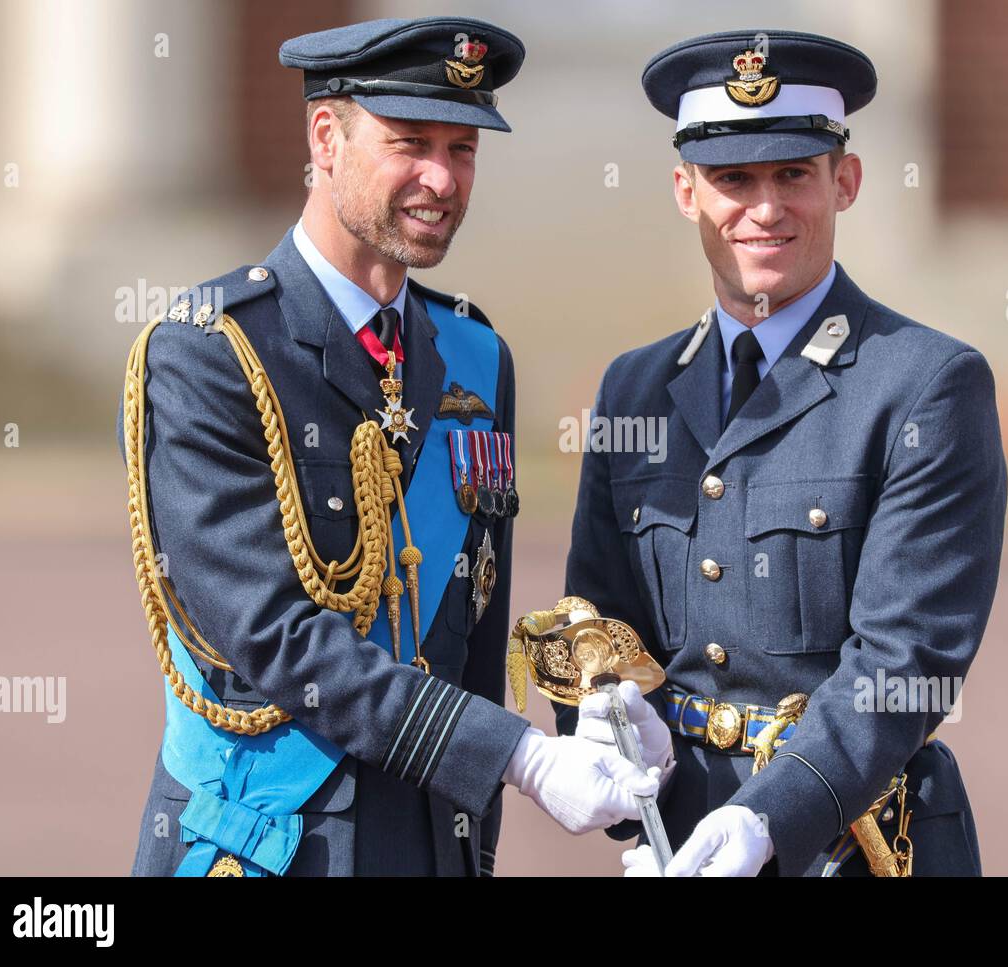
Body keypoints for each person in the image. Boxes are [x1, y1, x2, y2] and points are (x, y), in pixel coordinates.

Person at [119, 16, 657, 878]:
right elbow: (275, 634)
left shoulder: (476, 356)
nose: (441, 178)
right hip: (271, 845)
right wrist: (514, 755)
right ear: (325, 137)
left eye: (463, 148)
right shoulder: (208, 352)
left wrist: (588, 729)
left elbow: (474, 626)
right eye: (409, 142)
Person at [562, 29, 1008, 877]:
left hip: (857, 844)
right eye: (733, 178)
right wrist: (606, 740)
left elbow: (904, 663)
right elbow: (600, 624)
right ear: (685, 190)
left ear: (845, 181)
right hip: (680, 842)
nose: (764, 209)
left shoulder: (925, 385)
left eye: (793, 174)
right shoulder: (635, 391)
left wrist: (770, 820)